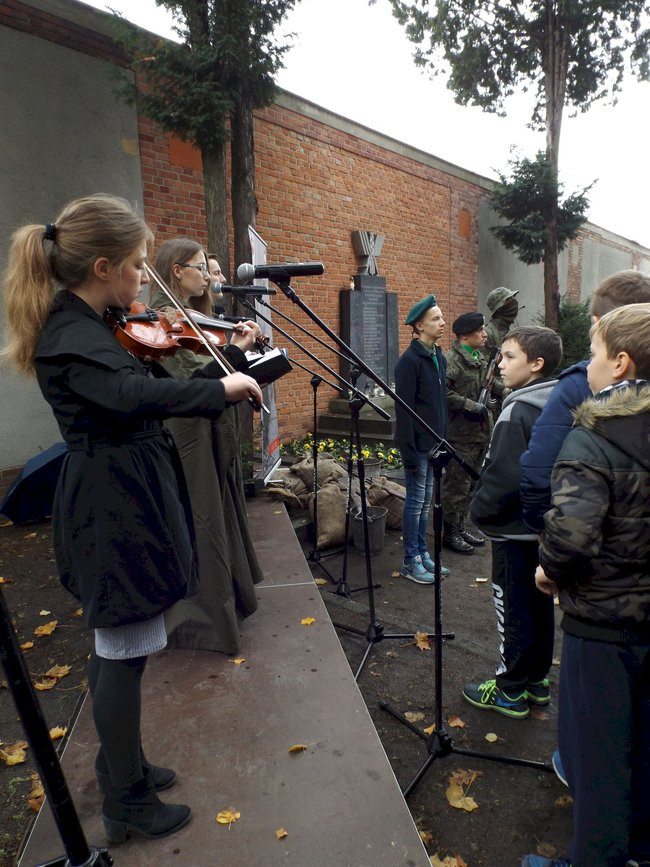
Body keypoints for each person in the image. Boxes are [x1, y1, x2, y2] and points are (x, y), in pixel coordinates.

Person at [0, 194, 262, 843]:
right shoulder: (71, 338)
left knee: (126, 646)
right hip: (111, 503)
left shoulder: (92, 325)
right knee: (122, 647)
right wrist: (217, 388)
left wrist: (215, 358)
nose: (145, 278)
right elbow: (131, 394)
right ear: (102, 266)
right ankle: (127, 800)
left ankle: (125, 763)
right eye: (139, 265)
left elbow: (143, 376)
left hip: (125, 489)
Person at [526, 303, 650, 867]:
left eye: (594, 352)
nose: (588, 364)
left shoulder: (596, 435)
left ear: (620, 363)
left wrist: (549, 570)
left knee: (598, 764)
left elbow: (571, 537)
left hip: (603, 629)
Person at [151, 239, 264, 654]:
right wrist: (235, 350)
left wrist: (239, 353)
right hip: (189, 436)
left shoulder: (192, 316)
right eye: (200, 268)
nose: (207, 276)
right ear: (176, 271)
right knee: (203, 520)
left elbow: (212, 368)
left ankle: (232, 598)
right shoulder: (164, 317)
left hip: (208, 430)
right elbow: (194, 378)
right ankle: (204, 620)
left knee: (218, 513)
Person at [463, 326, 563, 717]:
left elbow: (504, 475)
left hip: (512, 531)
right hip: (541, 530)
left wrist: (478, 511)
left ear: (536, 364)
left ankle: (509, 690)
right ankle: (536, 680)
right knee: (538, 605)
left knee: (513, 607)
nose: (500, 365)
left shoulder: (516, 410)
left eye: (509, 357)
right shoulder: (555, 404)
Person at [520, 269, 650, 535]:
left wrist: (545, 536)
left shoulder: (581, 404)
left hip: (588, 553)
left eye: (593, 354)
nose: (589, 364)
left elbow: (539, 471)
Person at [394, 294, 449, 584]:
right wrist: (409, 454)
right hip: (417, 446)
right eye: (436, 319)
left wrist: (444, 439)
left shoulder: (438, 356)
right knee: (415, 502)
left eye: (441, 317)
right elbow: (404, 413)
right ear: (419, 326)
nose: (443, 323)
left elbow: (439, 403)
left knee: (426, 501)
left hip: (434, 444)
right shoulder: (409, 362)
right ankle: (410, 560)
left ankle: (422, 553)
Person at [441, 311, 492, 555]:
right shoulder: (451, 360)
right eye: (479, 331)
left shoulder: (478, 357)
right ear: (464, 336)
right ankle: (449, 533)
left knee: (470, 485)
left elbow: (486, 385)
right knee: (456, 486)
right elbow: (442, 393)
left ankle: (460, 526)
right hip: (460, 435)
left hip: (479, 432)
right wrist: (470, 405)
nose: (484, 334)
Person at [482, 285, 520, 411]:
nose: (514, 303)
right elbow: (483, 371)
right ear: (500, 308)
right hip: (496, 400)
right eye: (509, 300)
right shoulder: (488, 334)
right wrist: (503, 388)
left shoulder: (512, 331)